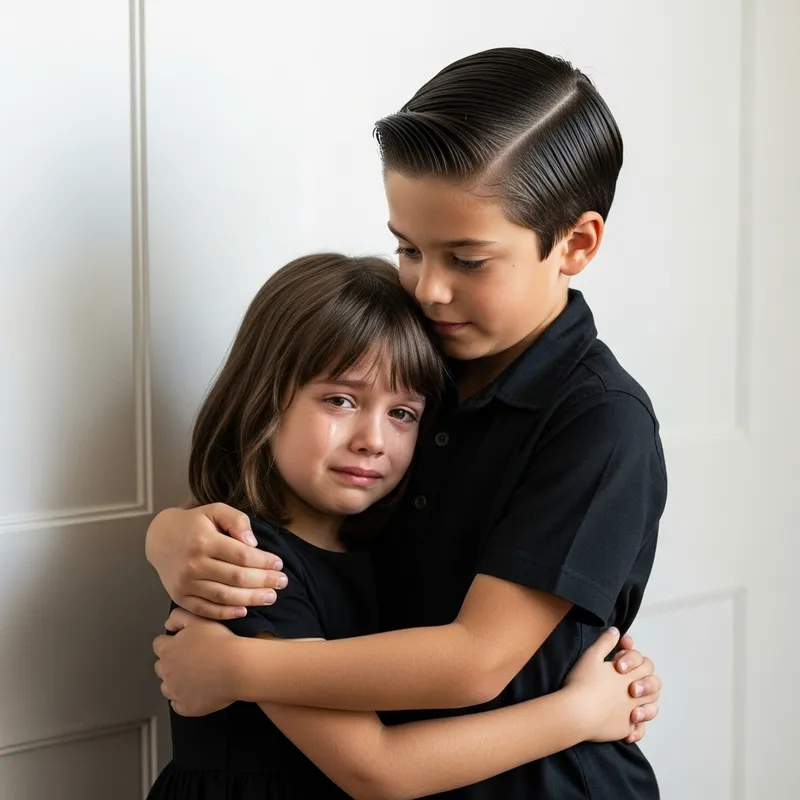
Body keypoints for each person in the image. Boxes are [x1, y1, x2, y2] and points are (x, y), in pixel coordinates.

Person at [150, 48, 668, 799]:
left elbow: (476, 660)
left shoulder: (599, 423)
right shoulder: (410, 370)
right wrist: (168, 535)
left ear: (575, 245)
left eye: (468, 259)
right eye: (408, 247)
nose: (428, 288)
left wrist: (239, 667)